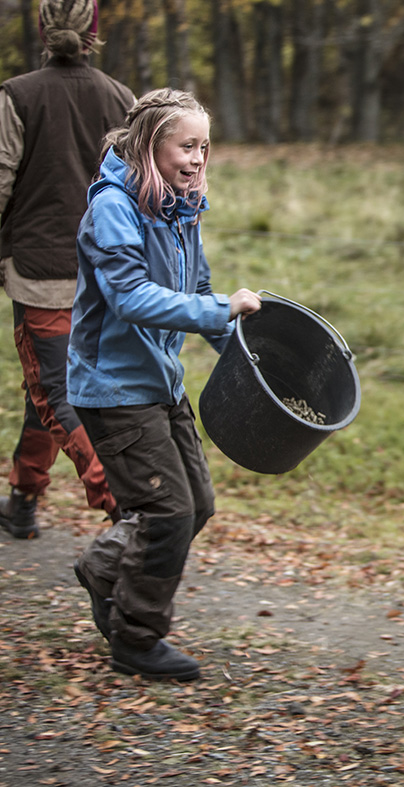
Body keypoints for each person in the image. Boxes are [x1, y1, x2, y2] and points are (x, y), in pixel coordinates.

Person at [69, 87, 262, 681]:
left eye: (205, 146)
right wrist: (218, 312)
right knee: (167, 510)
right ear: (152, 143)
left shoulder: (180, 208)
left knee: (195, 504)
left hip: (160, 381)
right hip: (113, 386)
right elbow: (128, 297)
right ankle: (136, 636)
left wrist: (244, 354)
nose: (199, 158)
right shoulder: (113, 206)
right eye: (187, 146)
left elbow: (198, 289)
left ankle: (103, 567)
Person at [0, 0, 133, 539]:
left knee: (57, 394)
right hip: (108, 277)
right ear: (94, 31)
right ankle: (22, 498)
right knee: (54, 389)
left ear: (41, 29)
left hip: (42, 273)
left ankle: (130, 511)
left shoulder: (17, 96)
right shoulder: (121, 97)